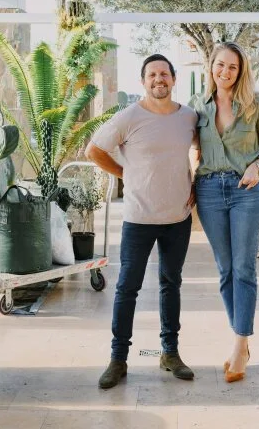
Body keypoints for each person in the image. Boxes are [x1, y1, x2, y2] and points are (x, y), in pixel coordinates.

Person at [85, 54, 198, 389]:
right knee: (127, 288)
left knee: (170, 284)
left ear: (173, 78)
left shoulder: (189, 117)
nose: (158, 79)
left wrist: (196, 179)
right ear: (143, 81)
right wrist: (125, 174)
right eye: (152, 74)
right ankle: (118, 359)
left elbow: (201, 148)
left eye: (164, 73)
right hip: (138, 218)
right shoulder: (128, 117)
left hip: (177, 217)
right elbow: (93, 150)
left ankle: (170, 353)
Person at [190, 41, 259, 384]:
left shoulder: (257, 105)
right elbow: (188, 147)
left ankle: (240, 344)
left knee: (244, 269)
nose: (225, 72)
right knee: (225, 270)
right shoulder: (197, 107)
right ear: (210, 66)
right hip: (210, 191)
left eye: (233, 67)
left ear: (241, 71)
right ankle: (239, 338)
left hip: (246, 192)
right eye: (220, 65)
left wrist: (258, 165)